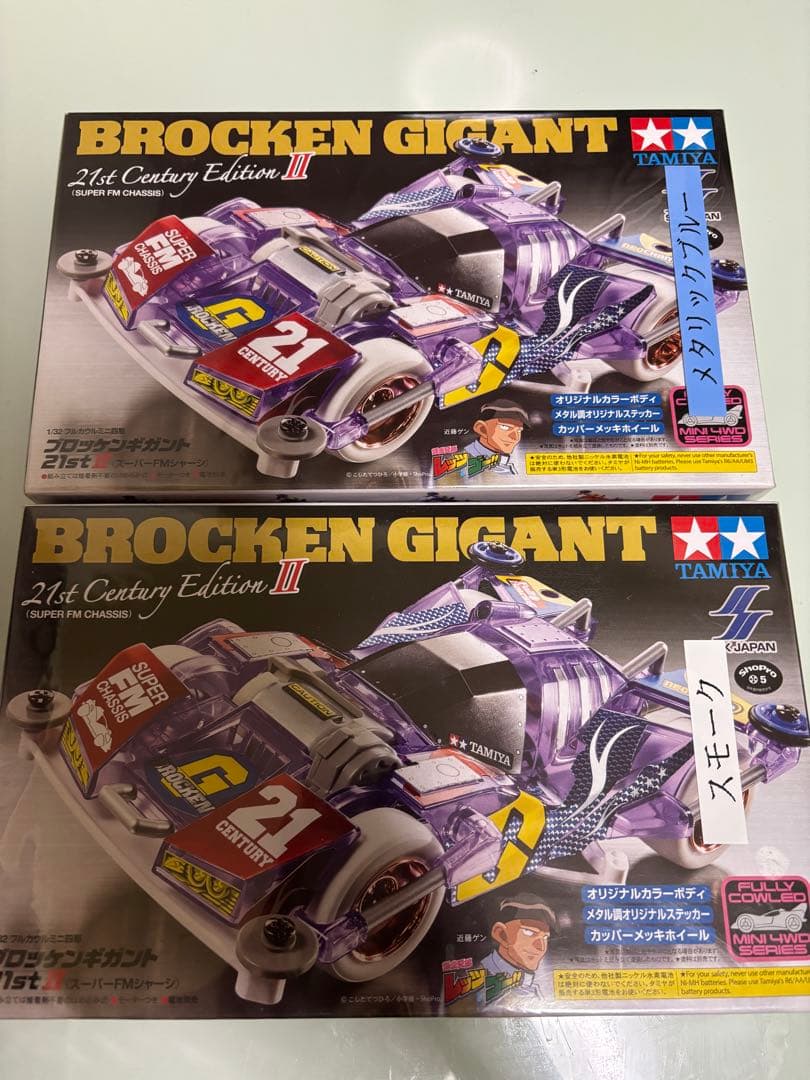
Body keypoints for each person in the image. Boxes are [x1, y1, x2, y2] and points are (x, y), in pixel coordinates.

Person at [480, 895, 555, 994]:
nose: (541, 947)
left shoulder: (535, 986)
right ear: (501, 935)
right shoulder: (479, 981)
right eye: (529, 932)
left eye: (545, 937)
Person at [463, 399, 529, 475]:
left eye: (519, 430)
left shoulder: (507, 461)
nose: (515, 437)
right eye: (505, 427)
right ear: (482, 429)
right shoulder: (465, 462)